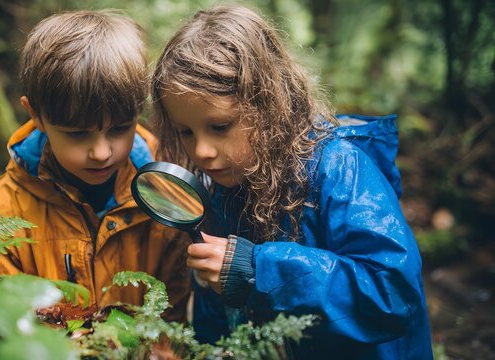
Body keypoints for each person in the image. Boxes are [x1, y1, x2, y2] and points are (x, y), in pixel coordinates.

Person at [150, 4, 433, 358]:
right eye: (185, 132)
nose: (202, 151)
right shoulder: (219, 188)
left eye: (219, 127)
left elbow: (392, 295)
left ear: (267, 105)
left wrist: (257, 269)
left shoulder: (338, 169)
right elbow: (216, 316)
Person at [0, 10, 190, 322]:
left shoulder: (164, 198)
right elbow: (2, 325)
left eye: (119, 129)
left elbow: (173, 318)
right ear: (35, 115)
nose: (102, 152)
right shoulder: (2, 211)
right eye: (78, 134)